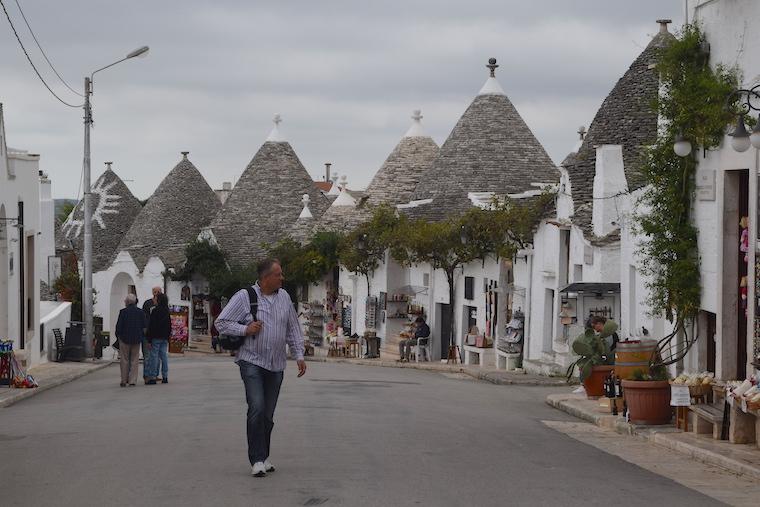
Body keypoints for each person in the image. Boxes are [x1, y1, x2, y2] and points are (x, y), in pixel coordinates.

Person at [215, 258, 306, 478]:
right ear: (266, 278)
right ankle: (256, 459)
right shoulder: (245, 297)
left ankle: (264, 455)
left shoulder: (284, 297)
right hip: (251, 361)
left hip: (276, 364)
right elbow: (221, 322)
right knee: (256, 407)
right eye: (278, 274)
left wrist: (299, 354)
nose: (282, 278)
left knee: (267, 414)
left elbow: (293, 327)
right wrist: (245, 329)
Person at [115, 293, 147, 387]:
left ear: (128, 302)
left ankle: (124, 380)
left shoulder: (123, 312)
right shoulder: (140, 312)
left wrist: (118, 337)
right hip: (136, 339)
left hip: (124, 339)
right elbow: (144, 327)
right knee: (134, 360)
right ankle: (132, 380)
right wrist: (141, 336)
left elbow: (118, 326)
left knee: (124, 360)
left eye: (125, 300)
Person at [146, 293, 172, 384]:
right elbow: (169, 325)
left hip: (156, 337)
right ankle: (165, 376)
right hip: (164, 337)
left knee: (154, 357)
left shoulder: (155, 311)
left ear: (159, 300)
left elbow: (151, 326)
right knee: (164, 356)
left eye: (156, 298)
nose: (154, 299)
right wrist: (168, 336)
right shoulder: (167, 311)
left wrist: (149, 339)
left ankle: (153, 376)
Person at [142, 286, 162, 383]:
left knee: (157, 355)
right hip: (148, 332)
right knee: (147, 355)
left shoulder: (162, 304)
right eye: (155, 291)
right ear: (152, 292)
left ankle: (155, 374)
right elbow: (144, 317)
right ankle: (146, 375)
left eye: (158, 291)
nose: (156, 293)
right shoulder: (147, 303)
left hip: (158, 333)